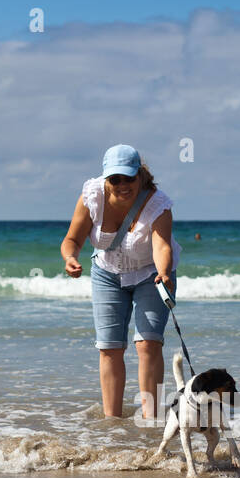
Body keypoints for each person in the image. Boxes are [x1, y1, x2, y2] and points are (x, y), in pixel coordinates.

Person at [61, 144, 181, 419]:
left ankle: (152, 419)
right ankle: (112, 424)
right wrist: (70, 257)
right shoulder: (92, 197)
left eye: (129, 178)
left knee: (148, 343)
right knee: (109, 347)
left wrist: (164, 272)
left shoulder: (157, 204)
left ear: (140, 175)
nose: (123, 185)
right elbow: (72, 240)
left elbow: (162, 246)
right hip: (107, 273)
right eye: (115, 179)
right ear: (106, 178)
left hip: (151, 274)